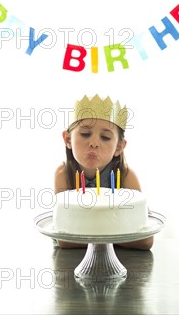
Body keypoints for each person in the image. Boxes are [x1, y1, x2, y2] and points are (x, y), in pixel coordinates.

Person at [53, 95, 153, 250]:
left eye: (105, 137)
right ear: (67, 140)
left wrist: (89, 233)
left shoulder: (126, 176)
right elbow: (65, 240)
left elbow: (145, 240)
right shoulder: (63, 174)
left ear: (119, 147)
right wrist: (118, 231)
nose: (94, 143)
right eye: (85, 134)